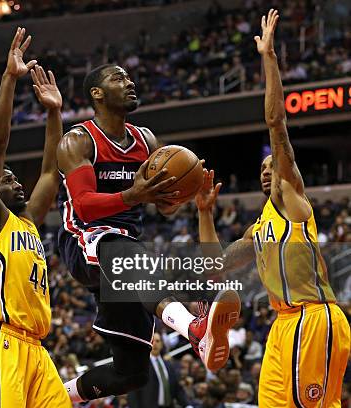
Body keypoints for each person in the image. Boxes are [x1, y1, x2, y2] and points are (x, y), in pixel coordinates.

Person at [56, 63, 240, 402]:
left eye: (129, 77)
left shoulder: (145, 140)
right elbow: (82, 205)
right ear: (97, 93)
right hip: (83, 239)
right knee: (132, 254)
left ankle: (55, 395)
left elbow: (163, 206)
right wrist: (133, 195)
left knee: (130, 373)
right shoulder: (79, 140)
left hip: (126, 249)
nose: (129, 82)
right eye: (118, 78)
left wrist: (189, 199)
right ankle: (194, 329)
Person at [196, 10, 350, 407]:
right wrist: (205, 214)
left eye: (273, 168)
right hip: (282, 325)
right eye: (261, 169)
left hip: (312, 318)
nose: (267, 173)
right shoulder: (259, 228)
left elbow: (276, 122)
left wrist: (268, 58)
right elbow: (217, 266)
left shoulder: (295, 203)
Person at [0, 27, 71, 407]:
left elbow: (53, 172)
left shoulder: (28, 222)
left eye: (16, 177)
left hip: (35, 348)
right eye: (6, 178)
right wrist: (9, 79)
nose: (16, 181)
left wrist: (54, 113)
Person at [127, 332, 190, 408]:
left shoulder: (168, 365)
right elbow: (133, 393)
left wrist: (187, 405)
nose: (155, 344)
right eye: (152, 341)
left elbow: (177, 388)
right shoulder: (140, 366)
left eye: (157, 341)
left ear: (162, 344)